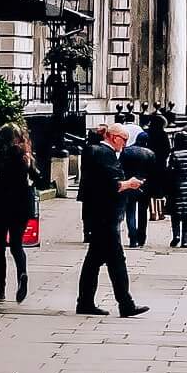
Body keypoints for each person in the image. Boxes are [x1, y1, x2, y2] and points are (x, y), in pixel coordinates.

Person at [77, 124, 148, 317]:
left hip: (98, 214)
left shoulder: (94, 151)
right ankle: (125, 304)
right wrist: (129, 183)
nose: (125, 144)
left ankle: (85, 301)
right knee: (117, 260)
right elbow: (109, 185)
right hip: (105, 215)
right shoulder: (104, 154)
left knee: (93, 261)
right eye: (124, 140)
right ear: (114, 137)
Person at [0, 123, 37, 304]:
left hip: (1, 203)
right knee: (16, 245)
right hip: (21, 204)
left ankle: (0, 289)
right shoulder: (25, 156)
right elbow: (39, 178)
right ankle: (22, 273)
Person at [118, 130, 158, 248]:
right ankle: (142, 237)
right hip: (144, 185)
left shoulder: (127, 151)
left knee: (130, 211)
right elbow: (153, 173)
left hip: (130, 183)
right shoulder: (150, 153)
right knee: (142, 212)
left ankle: (133, 237)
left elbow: (121, 167)